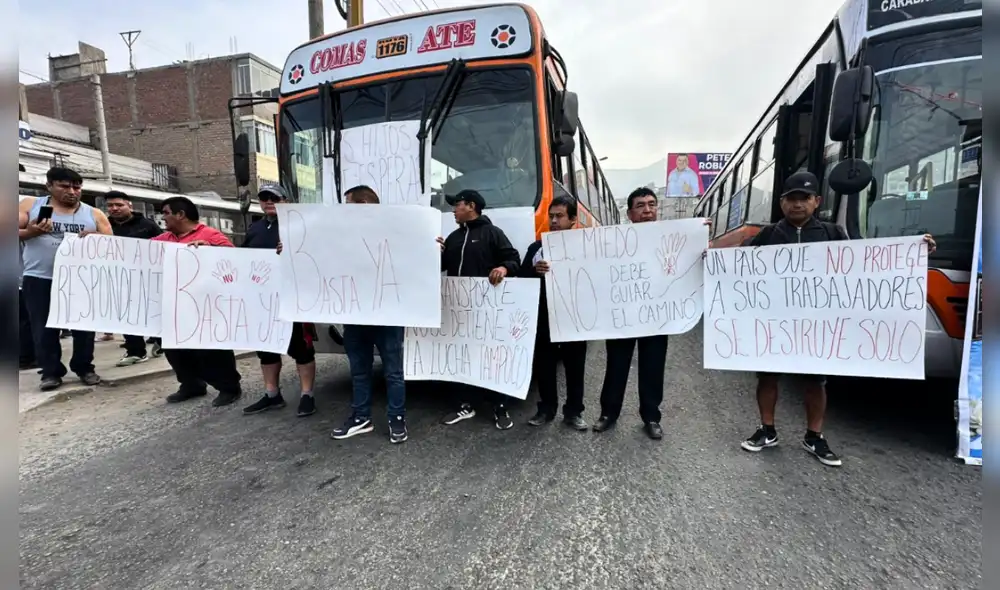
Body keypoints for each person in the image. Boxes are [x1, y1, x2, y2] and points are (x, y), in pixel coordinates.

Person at [738, 170, 937, 467]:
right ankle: (767, 430)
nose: (797, 204)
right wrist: (709, 260)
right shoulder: (767, 236)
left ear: (817, 201)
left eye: (804, 198)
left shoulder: (834, 234)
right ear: (781, 203)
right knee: (767, 377)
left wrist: (915, 251)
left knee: (815, 381)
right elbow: (736, 270)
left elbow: (867, 264)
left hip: (818, 325)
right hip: (775, 324)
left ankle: (814, 436)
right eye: (791, 198)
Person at [594, 186, 713, 440]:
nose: (647, 210)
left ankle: (651, 417)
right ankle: (608, 414)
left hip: (656, 316)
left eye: (651, 204)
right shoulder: (614, 241)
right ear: (629, 214)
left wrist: (700, 238)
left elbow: (690, 261)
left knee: (653, 367)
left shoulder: (673, 237)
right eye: (640, 206)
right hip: (622, 316)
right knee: (616, 366)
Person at [18, 167, 112, 391]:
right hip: (40, 277)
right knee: (43, 328)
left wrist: (97, 238)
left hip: (81, 278)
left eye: (77, 187)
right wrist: (31, 232)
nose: (72, 191)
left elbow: (112, 243)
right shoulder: (31, 205)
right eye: (64, 186)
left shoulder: (93, 214)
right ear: (49, 186)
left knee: (84, 326)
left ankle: (84, 367)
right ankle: (50, 372)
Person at [330, 185, 410, 443]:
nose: (344, 211)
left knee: (393, 372)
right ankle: (361, 417)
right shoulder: (342, 233)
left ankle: (396, 418)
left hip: (387, 316)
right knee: (360, 371)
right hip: (356, 316)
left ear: (363, 205)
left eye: (349, 205)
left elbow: (413, 260)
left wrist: (432, 249)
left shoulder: (396, 228)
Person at [436, 189, 521, 430]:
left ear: (471, 206)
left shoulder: (493, 233)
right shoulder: (453, 238)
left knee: (492, 357)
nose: (453, 210)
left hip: (487, 311)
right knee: (462, 355)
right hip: (458, 310)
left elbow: (514, 260)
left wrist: (503, 269)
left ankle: (500, 406)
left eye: (457, 205)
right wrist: (436, 252)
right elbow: (440, 267)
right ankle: (465, 404)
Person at [153, 196, 243, 407]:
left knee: (211, 349)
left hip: (205, 305)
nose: (162, 217)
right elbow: (133, 252)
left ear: (180, 214)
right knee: (174, 349)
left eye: (166, 213)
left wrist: (210, 249)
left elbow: (235, 261)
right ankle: (191, 384)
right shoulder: (164, 239)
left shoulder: (211, 235)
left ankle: (229, 387)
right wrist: (97, 240)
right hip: (175, 305)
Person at [240, 184, 319, 419]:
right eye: (264, 198)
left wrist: (294, 251)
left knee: (301, 349)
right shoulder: (255, 227)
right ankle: (272, 394)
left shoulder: (301, 226)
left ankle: (307, 395)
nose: (268, 202)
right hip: (263, 300)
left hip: (293, 298)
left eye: (274, 198)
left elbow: (316, 258)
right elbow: (241, 258)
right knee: (266, 349)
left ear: (286, 201)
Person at [520, 195, 589, 430]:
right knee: (545, 367)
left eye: (560, 216)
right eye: (551, 216)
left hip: (574, 318)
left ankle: (574, 412)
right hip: (544, 319)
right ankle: (546, 409)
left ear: (573, 219)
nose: (554, 221)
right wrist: (534, 270)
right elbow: (521, 279)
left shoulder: (585, 247)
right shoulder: (536, 248)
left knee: (575, 367)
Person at [105, 190, 163, 366]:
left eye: (119, 205)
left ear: (129, 205)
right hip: (119, 278)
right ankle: (135, 351)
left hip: (147, 278)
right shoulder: (104, 226)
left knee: (152, 312)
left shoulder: (147, 225)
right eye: (110, 205)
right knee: (126, 314)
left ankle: (161, 340)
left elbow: (163, 245)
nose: (114, 208)